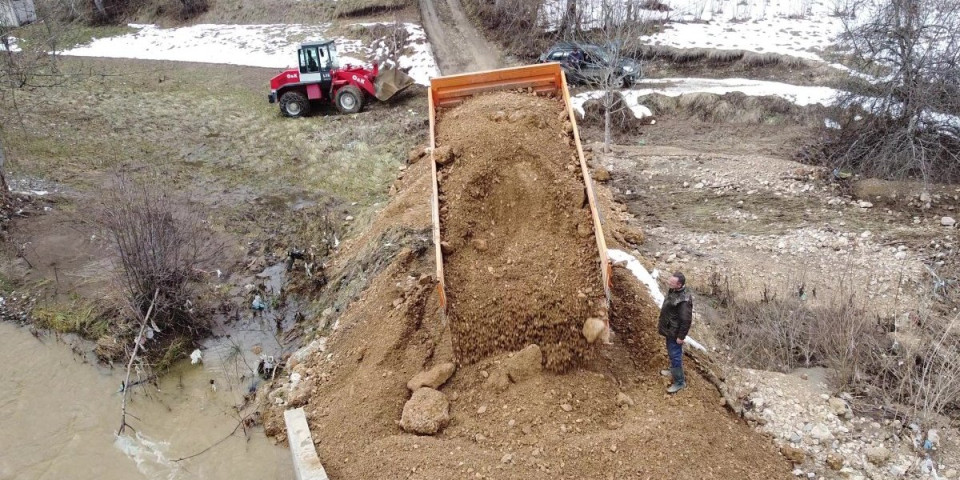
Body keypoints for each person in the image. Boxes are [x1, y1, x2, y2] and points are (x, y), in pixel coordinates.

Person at [657, 272, 693, 393]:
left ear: (679, 284)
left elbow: (686, 320)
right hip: (669, 329)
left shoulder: (684, 300)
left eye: (672, 282)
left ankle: (679, 382)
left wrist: (681, 336)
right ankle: (673, 370)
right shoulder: (674, 291)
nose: (668, 283)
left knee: (675, 355)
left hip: (675, 332)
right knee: (672, 352)